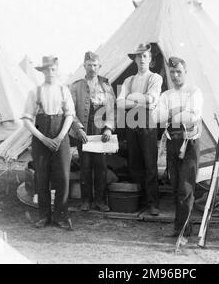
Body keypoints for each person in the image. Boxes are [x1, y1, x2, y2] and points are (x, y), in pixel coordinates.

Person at [22, 56, 74, 230]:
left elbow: (69, 115)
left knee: (63, 178)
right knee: (41, 177)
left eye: (53, 69)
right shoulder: (35, 92)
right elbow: (27, 120)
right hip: (40, 138)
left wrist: (59, 138)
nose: (50, 73)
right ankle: (44, 216)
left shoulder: (63, 90)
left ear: (57, 69)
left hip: (61, 137)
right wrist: (43, 138)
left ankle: (60, 216)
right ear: (42, 71)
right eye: (46, 70)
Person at [154, 56, 203, 237]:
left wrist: (171, 114)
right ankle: (184, 228)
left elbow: (193, 116)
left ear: (185, 72)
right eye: (172, 72)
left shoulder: (194, 92)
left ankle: (181, 230)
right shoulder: (166, 95)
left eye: (179, 72)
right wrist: (180, 112)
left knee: (185, 187)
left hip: (189, 142)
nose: (175, 76)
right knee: (175, 186)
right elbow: (156, 118)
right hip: (173, 143)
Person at [117, 43, 163, 215]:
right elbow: (120, 102)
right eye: (139, 56)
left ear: (150, 59)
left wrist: (131, 98)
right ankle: (139, 199)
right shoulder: (128, 80)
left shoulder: (155, 78)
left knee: (150, 163)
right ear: (135, 59)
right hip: (131, 121)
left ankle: (152, 203)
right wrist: (140, 100)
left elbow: (152, 99)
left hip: (147, 121)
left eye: (145, 56)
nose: (142, 59)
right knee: (135, 161)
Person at [70, 51, 115, 212]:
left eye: (95, 65)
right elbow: (70, 111)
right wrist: (78, 128)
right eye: (89, 65)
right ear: (84, 66)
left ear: (99, 66)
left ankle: (100, 201)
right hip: (84, 130)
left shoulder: (106, 86)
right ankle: (86, 200)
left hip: (100, 131)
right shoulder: (76, 86)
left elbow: (111, 110)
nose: (92, 68)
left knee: (101, 167)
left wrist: (109, 128)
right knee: (85, 166)